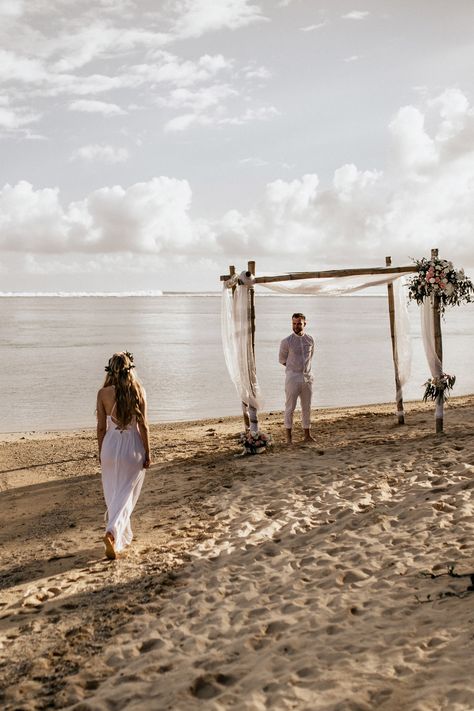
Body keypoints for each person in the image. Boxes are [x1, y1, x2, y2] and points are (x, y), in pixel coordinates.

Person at [96, 351, 151, 559]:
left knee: (113, 493)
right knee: (126, 494)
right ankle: (111, 534)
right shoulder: (139, 390)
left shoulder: (103, 394)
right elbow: (143, 426)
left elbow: (101, 428)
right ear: (130, 368)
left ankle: (115, 534)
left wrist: (102, 452)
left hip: (110, 447)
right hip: (132, 448)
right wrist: (148, 451)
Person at [279, 313, 315, 445]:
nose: (296, 326)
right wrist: (294, 369)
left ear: (305, 324)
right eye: (294, 323)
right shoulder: (286, 341)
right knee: (290, 408)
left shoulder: (310, 340)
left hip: (307, 378)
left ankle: (307, 435)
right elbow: (282, 360)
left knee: (307, 407)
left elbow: (310, 358)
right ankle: (289, 438)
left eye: (299, 323)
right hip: (292, 378)